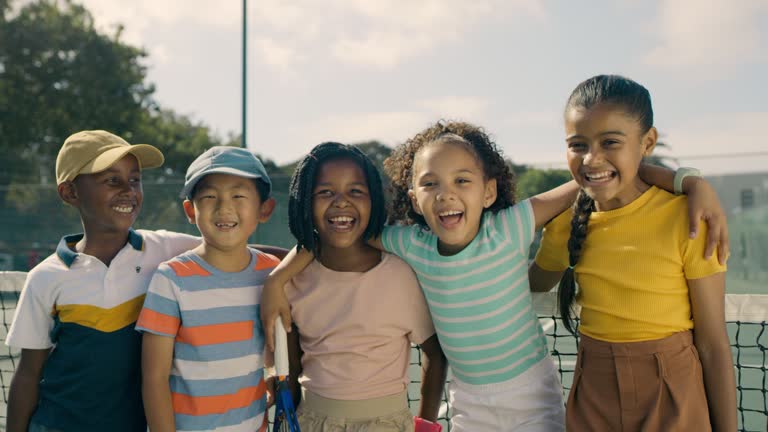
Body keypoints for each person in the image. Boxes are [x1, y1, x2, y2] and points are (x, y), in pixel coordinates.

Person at [262, 121, 728, 432]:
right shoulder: (410, 244)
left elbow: (596, 174)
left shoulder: (512, 227)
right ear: (413, 195)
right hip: (467, 401)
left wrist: (690, 181)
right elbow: (341, 232)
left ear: (488, 192)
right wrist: (279, 278)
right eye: (431, 184)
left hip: (532, 392)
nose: (447, 195)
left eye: (462, 181)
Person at [529, 75, 736, 431]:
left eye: (610, 142)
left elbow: (713, 345)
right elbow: (531, 284)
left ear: (647, 142)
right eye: (577, 145)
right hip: (593, 390)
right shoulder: (565, 224)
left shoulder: (688, 219)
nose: (592, 158)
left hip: (674, 390)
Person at [5, 130, 201, 432]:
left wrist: (289, 266)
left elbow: (232, 251)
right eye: (112, 180)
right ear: (70, 193)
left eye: (134, 179)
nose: (128, 190)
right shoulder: (45, 277)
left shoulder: (163, 248)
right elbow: (29, 374)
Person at [281, 142, 446, 431]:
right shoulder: (291, 279)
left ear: (374, 201)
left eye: (355, 191)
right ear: (304, 201)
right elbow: (293, 368)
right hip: (312, 421)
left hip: (386, 423)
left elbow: (435, 352)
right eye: (325, 192)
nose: (341, 202)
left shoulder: (400, 274)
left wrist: (427, 423)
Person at [136, 146, 279, 432]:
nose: (224, 207)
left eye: (239, 196)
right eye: (210, 197)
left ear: (264, 209)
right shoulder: (171, 278)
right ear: (191, 210)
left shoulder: (272, 273)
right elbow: (154, 378)